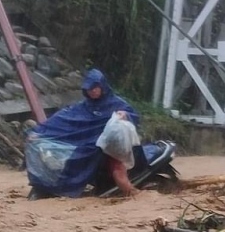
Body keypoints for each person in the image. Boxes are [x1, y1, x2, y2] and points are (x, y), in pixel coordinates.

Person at [26, 68, 141, 198]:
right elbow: (60, 120)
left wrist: (126, 115)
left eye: (95, 88)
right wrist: (38, 132)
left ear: (102, 86)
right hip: (87, 144)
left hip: (110, 148)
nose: (92, 91)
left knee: (117, 170)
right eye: (89, 89)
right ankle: (55, 187)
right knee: (71, 157)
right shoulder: (82, 107)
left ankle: (131, 193)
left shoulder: (116, 103)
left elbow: (134, 116)